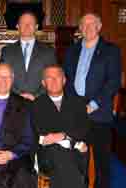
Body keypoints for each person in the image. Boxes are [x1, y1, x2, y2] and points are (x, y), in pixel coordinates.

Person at [63, 13, 121, 188]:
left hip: (100, 114)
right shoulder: (72, 50)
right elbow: (66, 79)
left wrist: (93, 105)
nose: (87, 27)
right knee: (78, 158)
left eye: (92, 24)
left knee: (102, 162)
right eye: (84, 24)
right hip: (77, 113)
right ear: (80, 28)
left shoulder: (111, 50)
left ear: (99, 26)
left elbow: (113, 82)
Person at [32, 64, 90, 188]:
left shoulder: (78, 102)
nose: (53, 80)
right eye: (49, 77)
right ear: (43, 82)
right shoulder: (36, 105)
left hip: (76, 152)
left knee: (67, 161)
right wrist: (69, 137)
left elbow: (84, 128)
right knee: (61, 155)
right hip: (48, 155)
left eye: (57, 77)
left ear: (64, 80)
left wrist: (62, 135)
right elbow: (41, 133)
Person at [1, 11, 57, 101]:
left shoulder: (48, 51)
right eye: (23, 23)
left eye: (30, 23)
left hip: (41, 101)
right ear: (17, 27)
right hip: (14, 103)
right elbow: (2, 77)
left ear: (36, 27)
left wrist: (36, 96)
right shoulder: (7, 51)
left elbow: (52, 77)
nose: (27, 26)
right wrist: (18, 96)